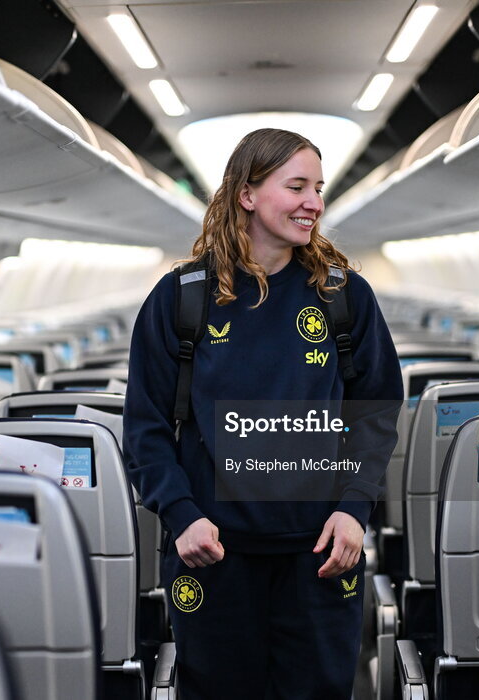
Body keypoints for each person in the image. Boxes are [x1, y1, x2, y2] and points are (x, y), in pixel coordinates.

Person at [123, 128, 403, 699]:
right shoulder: (182, 300)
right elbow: (146, 427)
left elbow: (375, 415)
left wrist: (354, 509)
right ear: (247, 194)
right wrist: (181, 514)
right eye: (296, 186)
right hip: (213, 553)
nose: (314, 203)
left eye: (318, 188)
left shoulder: (344, 297)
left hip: (321, 553)